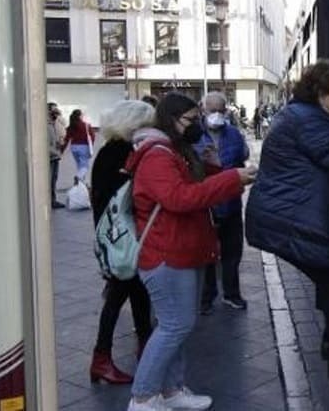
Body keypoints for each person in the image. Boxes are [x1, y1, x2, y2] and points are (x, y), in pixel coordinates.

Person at [125, 93, 256, 411]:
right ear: (171, 120)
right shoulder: (157, 155)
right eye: (191, 119)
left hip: (183, 250)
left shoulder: (175, 151)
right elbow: (179, 198)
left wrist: (215, 166)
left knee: (177, 325)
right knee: (174, 326)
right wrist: (228, 178)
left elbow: (194, 184)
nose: (198, 124)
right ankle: (143, 397)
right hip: (167, 255)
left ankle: (171, 391)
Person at [245, 61, 329, 365]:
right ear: (323, 92)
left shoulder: (298, 114)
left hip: (283, 215)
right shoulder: (309, 120)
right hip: (292, 217)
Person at [88, 99, 157, 385]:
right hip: (124, 238)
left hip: (118, 237)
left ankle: (143, 350)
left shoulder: (110, 151)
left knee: (135, 294)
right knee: (121, 296)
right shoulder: (122, 153)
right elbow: (123, 198)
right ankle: (103, 358)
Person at [194, 92, 251, 314]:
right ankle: (206, 297)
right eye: (212, 110)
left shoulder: (234, 134)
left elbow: (243, 156)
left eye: (220, 110)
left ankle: (231, 294)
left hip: (231, 203)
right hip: (206, 204)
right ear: (203, 109)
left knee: (232, 253)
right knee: (206, 254)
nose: (216, 115)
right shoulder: (195, 135)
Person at [66, 109, 95, 187]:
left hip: (73, 147)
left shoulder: (71, 126)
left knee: (79, 165)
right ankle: (78, 178)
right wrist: (91, 145)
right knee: (84, 166)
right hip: (84, 147)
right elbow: (92, 136)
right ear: (80, 116)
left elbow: (67, 137)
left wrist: (62, 149)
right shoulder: (86, 125)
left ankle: (81, 184)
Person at [48, 104, 67, 208]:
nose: (56, 112)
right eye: (53, 110)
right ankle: (51, 200)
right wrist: (56, 151)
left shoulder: (54, 123)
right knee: (50, 180)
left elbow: (64, 124)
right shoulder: (47, 125)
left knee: (54, 179)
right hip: (51, 156)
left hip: (55, 156)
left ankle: (53, 200)